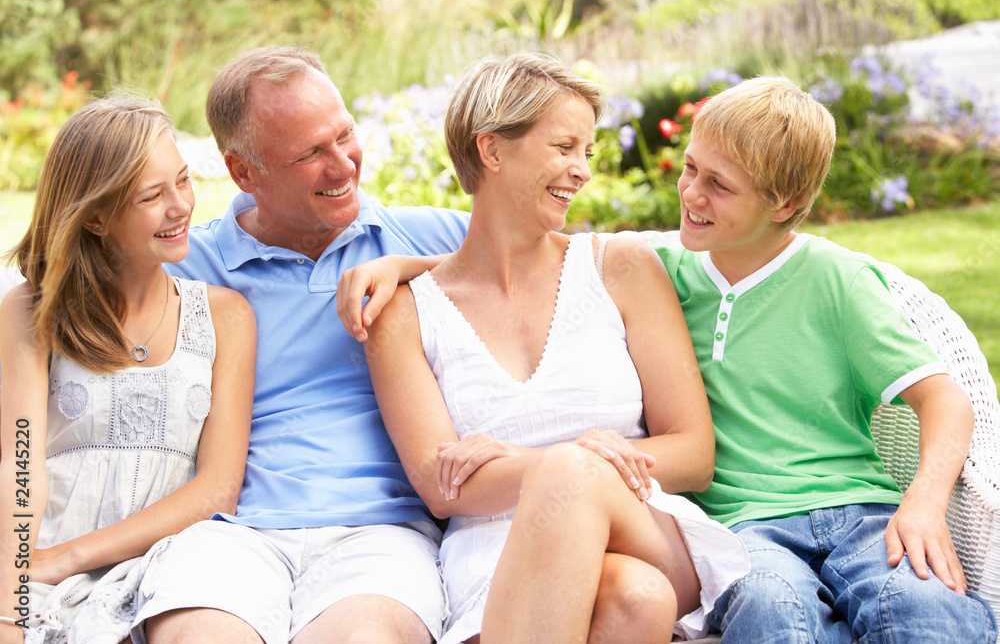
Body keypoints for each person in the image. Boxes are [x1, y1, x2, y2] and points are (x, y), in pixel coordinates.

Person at [359, 52, 749, 644]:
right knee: (635, 599)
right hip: (495, 555)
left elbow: (694, 453)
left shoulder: (620, 269)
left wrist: (552, 463)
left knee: (580, 481)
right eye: (564, 147)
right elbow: (442, 489)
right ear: (491, 151)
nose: (582, 171)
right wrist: (561, 462)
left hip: (641, 523)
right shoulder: (403, 310)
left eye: (586, 153)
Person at [131, 46, 469, 644]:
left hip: (382, 534)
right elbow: (63, 289)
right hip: (228, 532)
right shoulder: (189, 266)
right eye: (311, 153)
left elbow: (568, 268)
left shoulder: (435, 235)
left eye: (345, 136)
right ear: (243, 173)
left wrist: (412, 265)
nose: (343, 166)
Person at [654, 76, 997, 641]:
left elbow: (945, 400)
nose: (691, 193)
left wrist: (924, 505)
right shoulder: (655, 273)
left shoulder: (838, 279)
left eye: (719, 184)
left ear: (784, 203)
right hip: (743, 530)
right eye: (691, 168)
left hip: (863, 514)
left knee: (922, 607)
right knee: (770, 609)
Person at [0, 96, 255, 643]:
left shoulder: (225, 317)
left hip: (168, 565)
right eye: (151, 195)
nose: (181, 205)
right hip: (39, 554)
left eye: (183, 181)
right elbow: (19, 467)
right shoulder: (30, 311)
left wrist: (70, 557)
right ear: (94, 216)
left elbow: (216, 491)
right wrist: (10, 595)